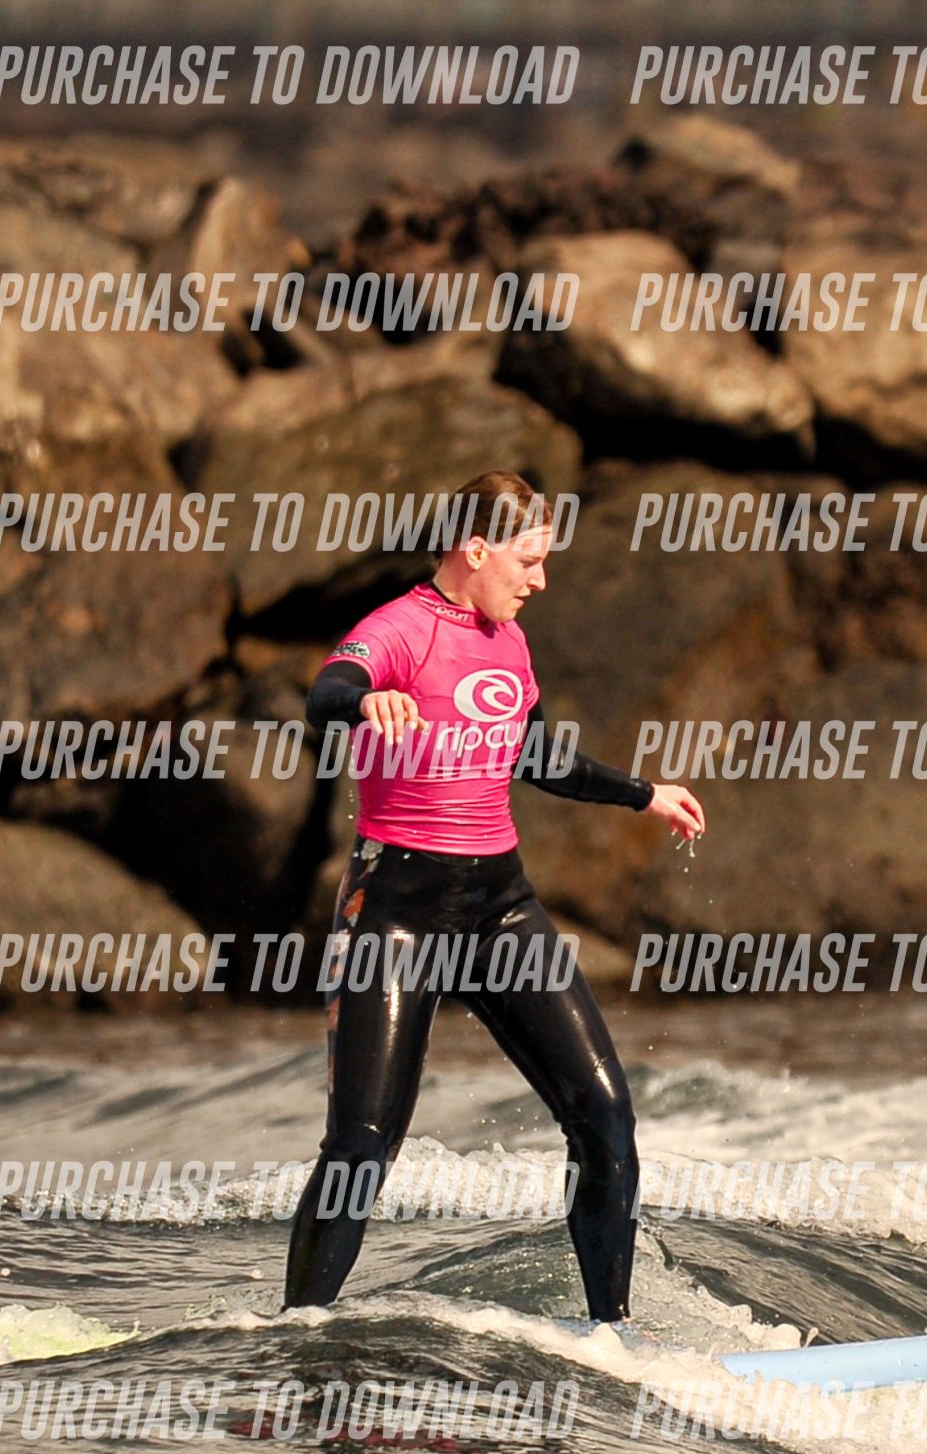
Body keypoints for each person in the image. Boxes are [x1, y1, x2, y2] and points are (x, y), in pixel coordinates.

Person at [285, 471, 707, 1323]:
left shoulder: (509, 641)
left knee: (605, 1117)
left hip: (499, 907)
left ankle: (610, 1335)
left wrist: (642, 794)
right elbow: (326, 693)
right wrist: (368, 700)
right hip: (396, 911)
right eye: (528, 560)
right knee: (363, 1144)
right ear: (475, 550)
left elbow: (539, 758)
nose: (539, 580)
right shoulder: (399, 629)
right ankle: (298, 1334)